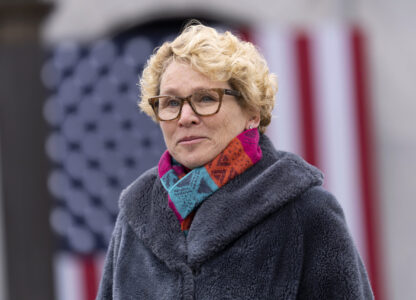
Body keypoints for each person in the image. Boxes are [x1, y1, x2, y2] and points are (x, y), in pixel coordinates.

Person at [96, 22, 374, 300]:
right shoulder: (136, 212)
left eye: (205, 98)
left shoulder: (305, 210)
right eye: (170, 103)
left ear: (252, 112)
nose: (185, 117)